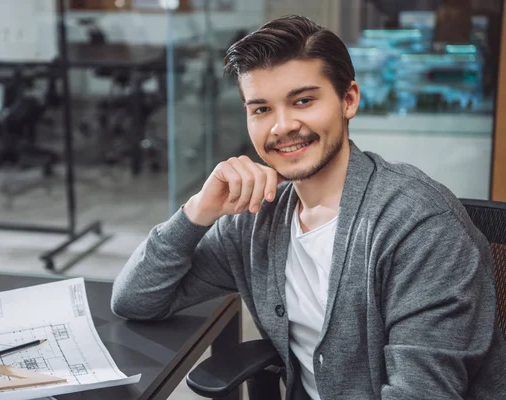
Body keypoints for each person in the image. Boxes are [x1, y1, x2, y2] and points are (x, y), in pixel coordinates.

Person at [111, 15, 506, 399]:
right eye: (261, 109)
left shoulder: (417, 225)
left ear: (348, 100)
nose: (281, 126)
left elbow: (423, 391)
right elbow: (136, 300)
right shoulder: (255, 218)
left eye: (302, 100)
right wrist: (197, 211)